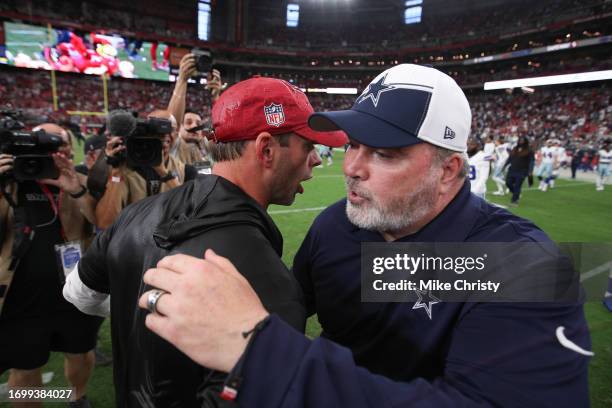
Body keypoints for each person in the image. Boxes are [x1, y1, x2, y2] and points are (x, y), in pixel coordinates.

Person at [138, 64, 591, 407]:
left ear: (448, 170)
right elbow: (293, 307)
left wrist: (260, 353)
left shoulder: (524, 265)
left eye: (384, 153)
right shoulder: (337, 225)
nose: (352, 167)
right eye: (354, 143)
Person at [63, 77, 347, 407]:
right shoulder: (266, 281)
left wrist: (143, 305)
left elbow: (77, 293)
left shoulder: (133, 215)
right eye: (308, 146)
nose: (315, 159)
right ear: (266, 149)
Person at [0, 123, 103, 408]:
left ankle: (77, 398)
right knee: (25, 366)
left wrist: (77, 191)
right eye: (42, 145)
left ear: (70, 149)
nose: (51, 152)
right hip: (23, 298)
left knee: (80, 351)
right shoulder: (10, 181)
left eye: (59, 144)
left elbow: (101, 221)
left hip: (74, 291)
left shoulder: (78, 176)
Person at [95, 110, 197, 229]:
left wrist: (164, 173)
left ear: (176, 133)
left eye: (170, 129)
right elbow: (105, 223)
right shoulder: (123, 169)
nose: (164, 136)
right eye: (153, 130)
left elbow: (192, 215)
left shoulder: (185, 171)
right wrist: (116, 170)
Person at [167, 53, 222, 165]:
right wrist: (182, 80)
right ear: (180, 127)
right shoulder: (173, 146)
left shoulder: (206, 150)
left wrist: (216, 97)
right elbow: (173, 123)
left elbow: (221, 128)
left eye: (198, 123)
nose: (194, 126)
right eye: (188, 122)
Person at [504, 135, 534, 206]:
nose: (520, 141)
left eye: (522, 140)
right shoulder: (515, 148)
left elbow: (531, 161)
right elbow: (510, 158)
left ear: (525, 142)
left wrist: (530, 171)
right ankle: (516, 194)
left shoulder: (529, 150)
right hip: (512, 169)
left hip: (522, 171)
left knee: (518, 186)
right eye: (520, 140)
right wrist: (505, 165)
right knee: (508, 183)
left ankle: (514, 201)